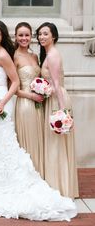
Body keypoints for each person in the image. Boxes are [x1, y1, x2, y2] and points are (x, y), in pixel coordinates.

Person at [0, 19, 77, 221]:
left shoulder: (7, 55)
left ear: (3, 36)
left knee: (3, 140)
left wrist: (2, 102)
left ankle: (8, 183)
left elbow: (14, 82)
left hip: (4, 101)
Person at [36, 22, 79, 198]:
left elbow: (56, 83)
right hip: (53, 99)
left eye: (45, 34)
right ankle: (56, 183)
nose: (42, 37)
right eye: (39, 34)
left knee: (56, 144)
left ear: (53, 36)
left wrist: (62, 111)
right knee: (53, 143)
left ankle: (59, 186)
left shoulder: (53, 55)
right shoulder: (47, 53)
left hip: (57, 100)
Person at [14, 22, 44, 178]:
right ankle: (27, 177)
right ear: (16, 37)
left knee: (37, 137)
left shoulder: (34, 56)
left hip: (38, 103)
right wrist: (31, 96)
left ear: (31, 36)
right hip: (25, 103)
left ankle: (38, 174)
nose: (24, 38)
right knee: (27, 139)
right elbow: (13, 88)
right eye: (21, 35)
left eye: (27, 35)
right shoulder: (15, 57)